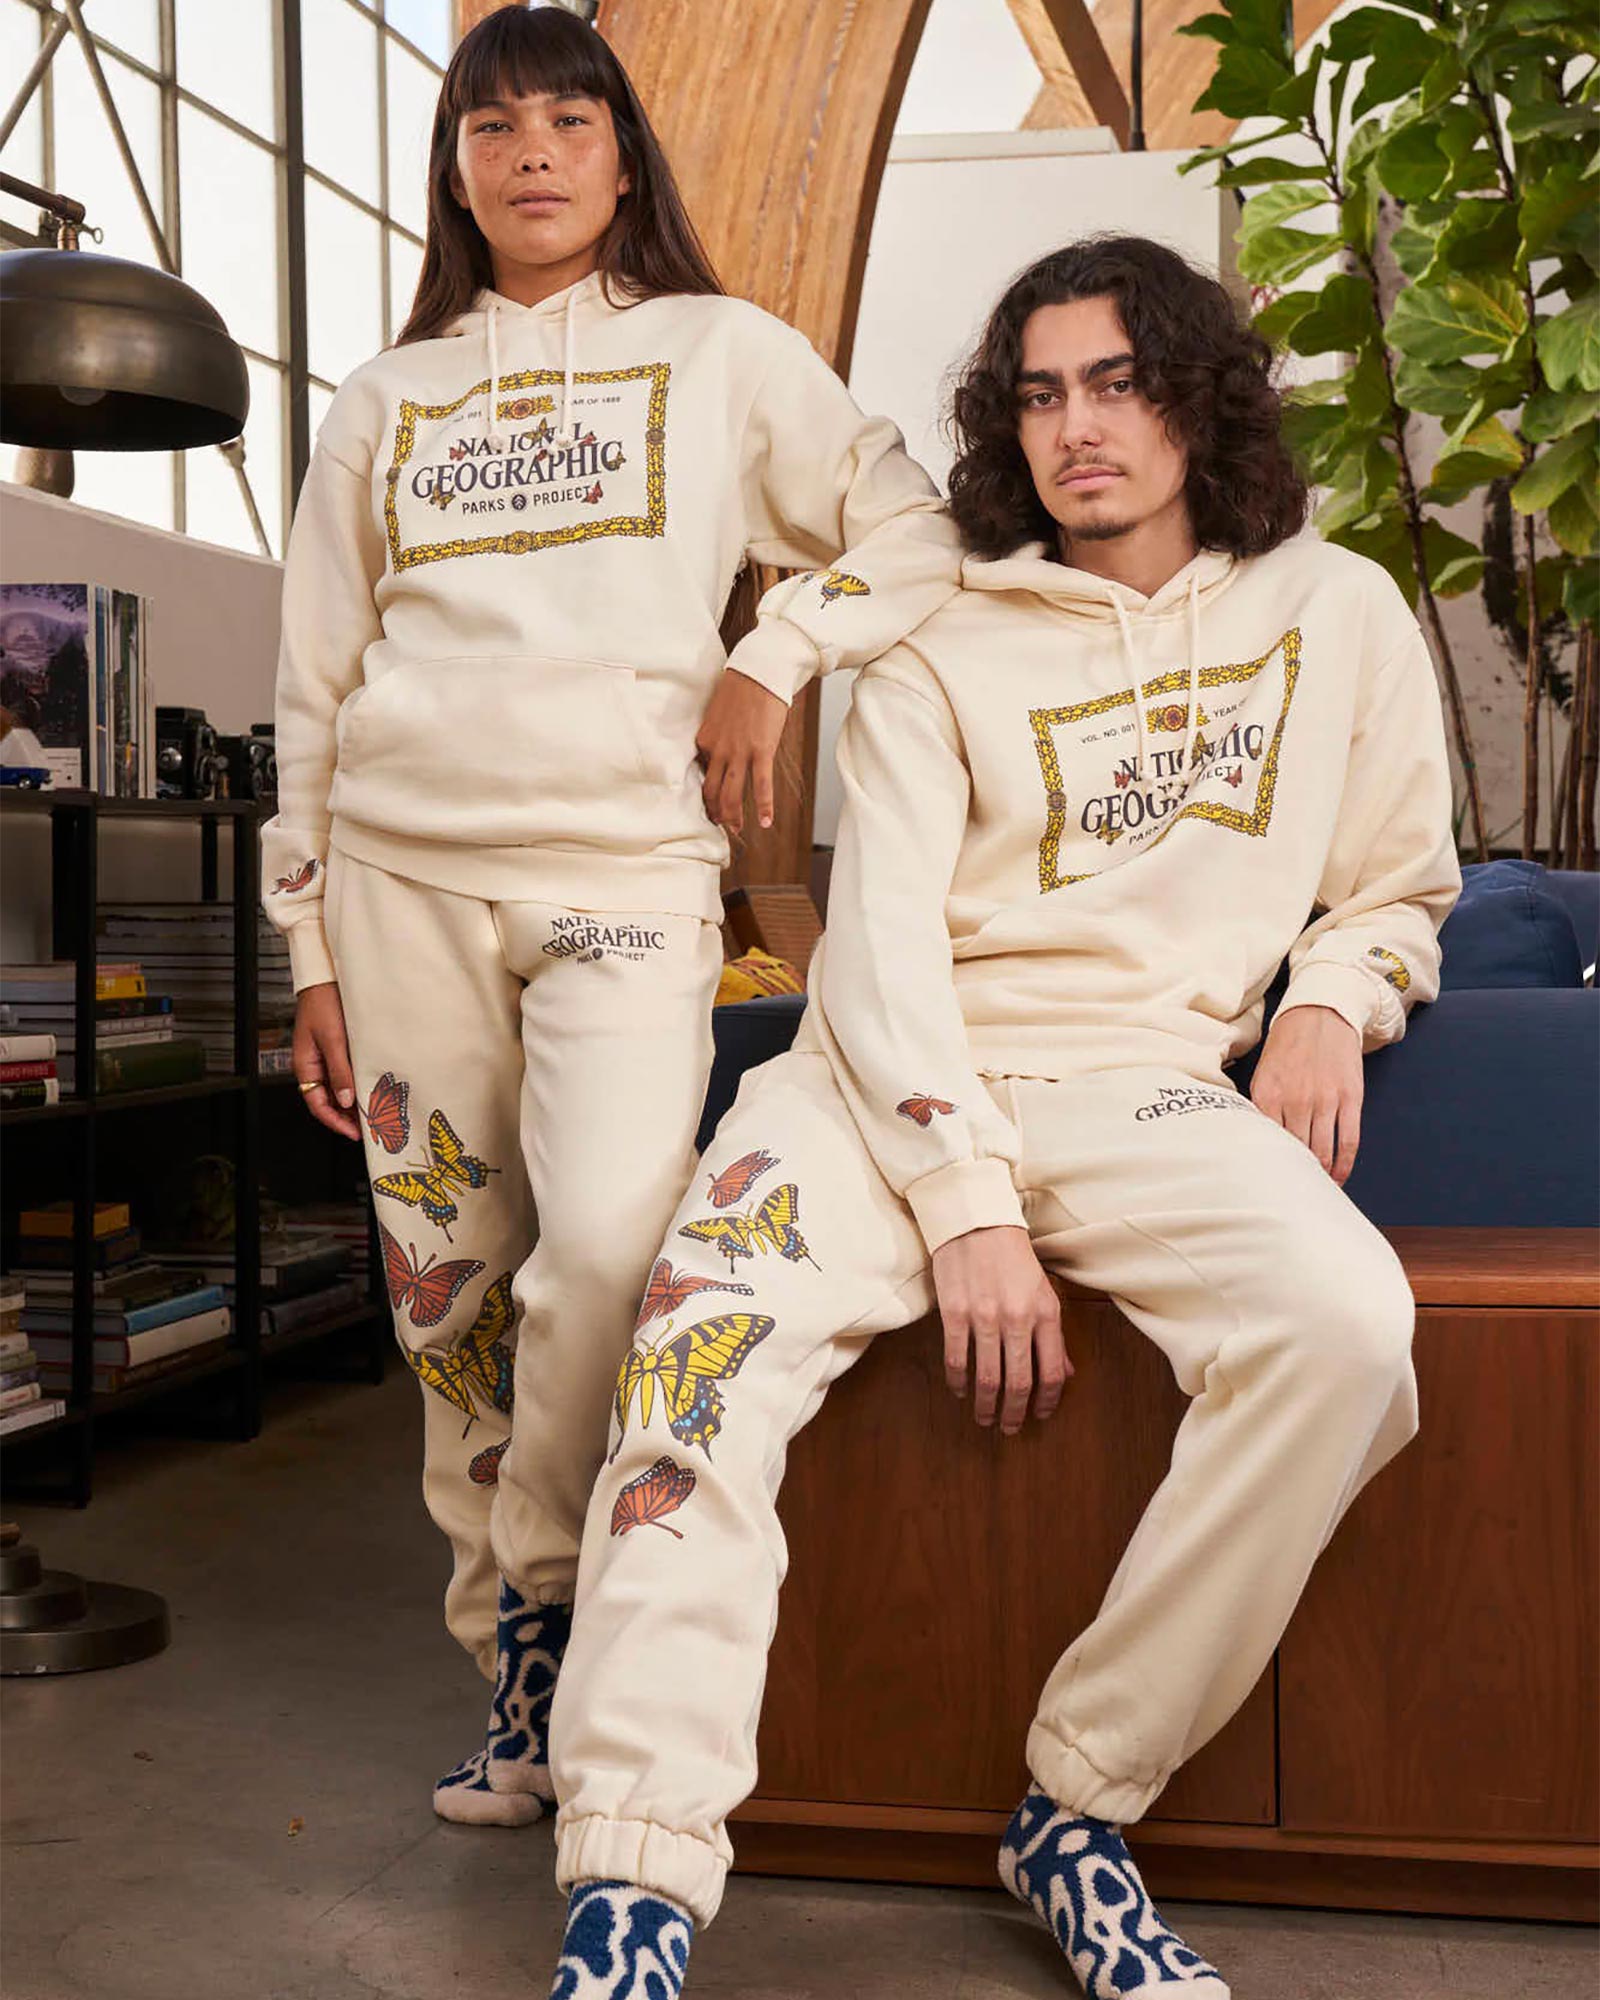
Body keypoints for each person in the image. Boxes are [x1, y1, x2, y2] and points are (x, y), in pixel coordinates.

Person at [542, 236, 1461, 2000]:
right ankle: (630, 1892)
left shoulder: (1336, 610)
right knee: (697, 1356)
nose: (1076, 427)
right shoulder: (938, 628)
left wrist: (1331, 1001)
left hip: (1142, 1080)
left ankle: (1080, 1805)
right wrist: (963, 1201)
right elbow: (877, 947)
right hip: (877, 1082)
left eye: (1118, 381)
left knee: (1348, 1328)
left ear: (1199, 394)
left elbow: (1397, 881)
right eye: (1040, 394)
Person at [262, 4, 962, 1826]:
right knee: (448, 1296)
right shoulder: (385, 400)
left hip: (626, 874)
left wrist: (775, 652)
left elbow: (915, 528)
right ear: (457, 171)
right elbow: (314, 686)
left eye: (570, 122)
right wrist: (307, 943)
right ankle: (519, 1665)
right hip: (399, 879)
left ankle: (561, 1592)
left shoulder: (723, 353)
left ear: (625, 156)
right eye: (494, 128)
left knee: (603, 1249)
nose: (534, 156)